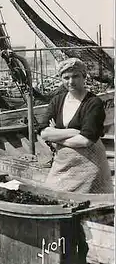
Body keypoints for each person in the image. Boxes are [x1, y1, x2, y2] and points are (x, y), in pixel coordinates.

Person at [38, 58, 113, 193]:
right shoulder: (57, 101)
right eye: (66, 77)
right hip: (63, 164)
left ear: (84, 76)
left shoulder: (93, 103)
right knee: (53, 196)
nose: (71, 82)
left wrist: (55, 135)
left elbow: (85, 140)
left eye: (76, 76)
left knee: (88, 205)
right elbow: (44, 132)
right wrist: (74, 131)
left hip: (90, 166)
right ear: (61, 79)